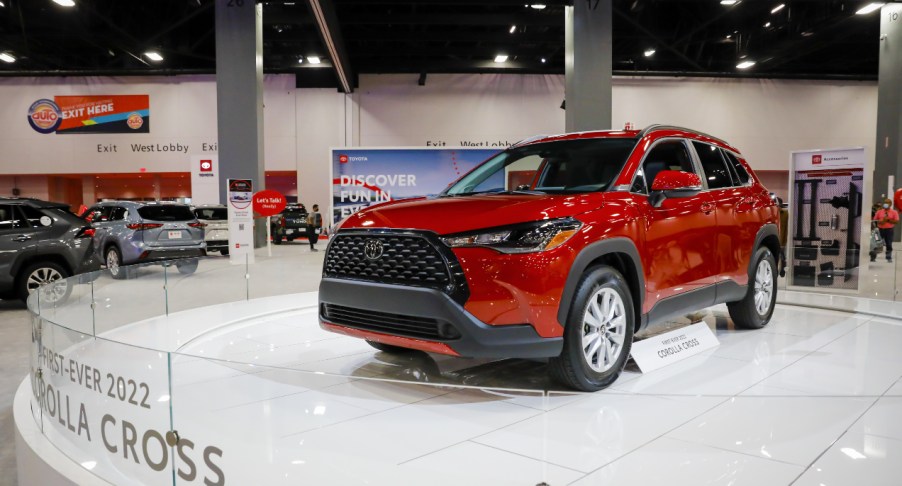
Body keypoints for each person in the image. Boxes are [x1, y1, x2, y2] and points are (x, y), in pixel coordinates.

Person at [874, 198, 899, 262]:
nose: (886, 204)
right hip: (879, 230)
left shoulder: (894, 212)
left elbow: (896, 221)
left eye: (887, 203)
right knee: (876, 243)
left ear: (890, 204)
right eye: (885, 202)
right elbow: (874, 220)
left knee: (889, 244)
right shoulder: (879, 212)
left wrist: (888, 220)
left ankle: (888, 257)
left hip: (889, 230)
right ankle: (873, 257)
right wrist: (880, 221)